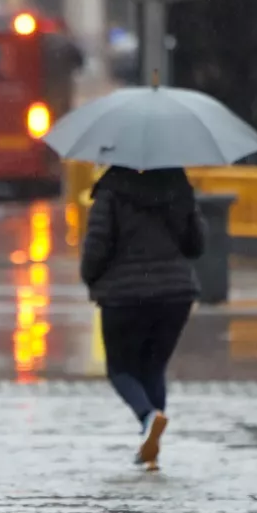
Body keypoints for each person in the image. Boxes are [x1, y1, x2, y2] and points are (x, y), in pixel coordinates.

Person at [81, 166, 207, 469]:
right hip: (175, 293)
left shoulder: (111, 190)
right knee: (153, 368)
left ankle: (148, 417)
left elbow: (97, 245)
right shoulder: (178, 184)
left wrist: (90, 277)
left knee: (121, 370)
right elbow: (196, 245)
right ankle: (152, 449)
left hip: (123, 296)